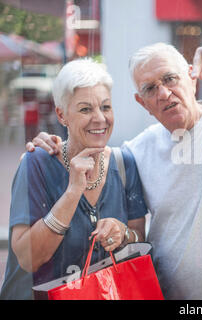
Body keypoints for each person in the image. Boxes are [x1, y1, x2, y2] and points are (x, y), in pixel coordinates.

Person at [25, 43, 202, 299]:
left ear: (191, 78)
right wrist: (48, 144)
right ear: (142, 102)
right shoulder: (136, 152)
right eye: (150, 88)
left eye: (170, 79)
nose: (164, 93)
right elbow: (89, 156)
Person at [0, 59, 148, 300]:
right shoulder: (36, 163)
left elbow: (139, 237)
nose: (100, 118)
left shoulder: (124, 164)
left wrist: (123, 233)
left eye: (106, 107)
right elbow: (29, 258)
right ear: (61, 115)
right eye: (85, 109)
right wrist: (73, 191)